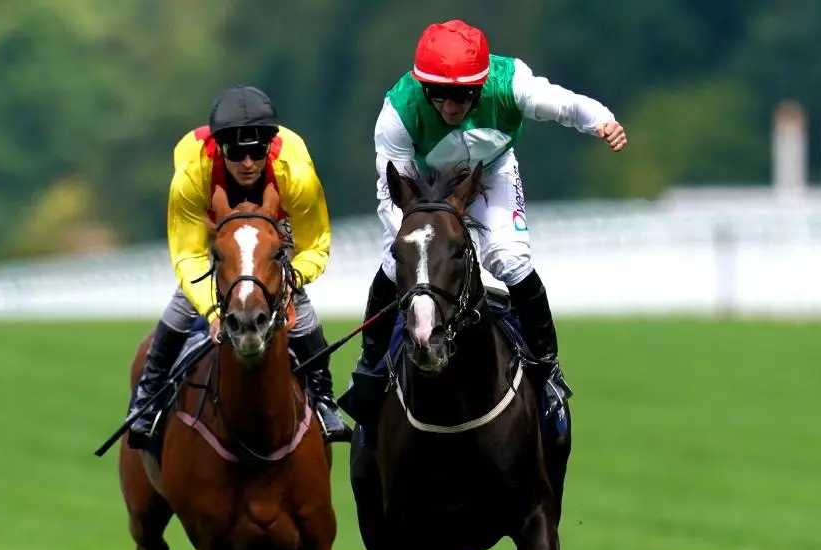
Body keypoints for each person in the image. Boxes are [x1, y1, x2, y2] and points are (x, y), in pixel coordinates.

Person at [354, 19, 628, 426]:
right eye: (439, 95)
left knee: (510, 260)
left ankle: (547, 372)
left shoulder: (510, 83)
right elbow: (394, 189)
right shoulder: (398, 113)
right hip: (422, 182)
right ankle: (371, 371)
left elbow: (567, 105)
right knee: (399, 263)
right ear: (422, 86)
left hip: (490, 172)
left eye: (462, 96)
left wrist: (601, 120)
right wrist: (414, 238)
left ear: (480, 86)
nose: (450, 107)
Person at [126, 85, 352, 449]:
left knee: (305, 316)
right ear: (219, 148)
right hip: (218, 245)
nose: (248, 163)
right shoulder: (192, 171)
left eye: (257, 151)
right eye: (236, 152)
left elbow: (315, 245)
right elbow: (188, 256)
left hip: (271, 243)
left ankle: (324, 402)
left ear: (269, 146)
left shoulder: (296, 173)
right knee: (181, 309)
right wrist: (214, 311)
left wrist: (294, 279)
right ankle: (147, 398)